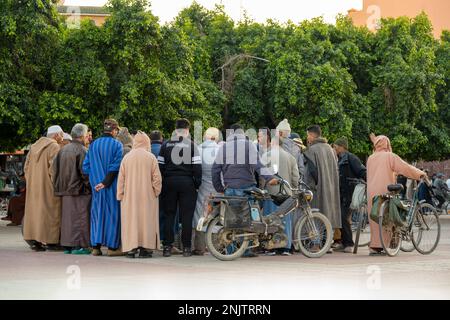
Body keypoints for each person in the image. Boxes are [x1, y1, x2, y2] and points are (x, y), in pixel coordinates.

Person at [212, 124, 278, 257]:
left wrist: (220, 188)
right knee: (249, 220)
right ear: (243, 133)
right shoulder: (249, 145)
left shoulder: (223, 148)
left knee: (233, 219)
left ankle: (231, 250)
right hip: (247, 188)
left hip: (230, 189)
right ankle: (246, 250)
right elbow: (257, 164)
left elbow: (215, 170)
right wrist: (270, 177)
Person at [366, 134, 425, 256]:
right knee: (389, 216)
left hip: (372, 191)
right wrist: (420, 174)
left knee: (375, 217)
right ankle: (387, 243)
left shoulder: (370, 158)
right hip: (386, 189)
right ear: (387, 143)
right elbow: (405, 167)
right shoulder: (390, 156)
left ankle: (375, 245)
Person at [158, 119, 202, 257]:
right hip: (187, 182)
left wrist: (164, 181)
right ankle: (187, 248)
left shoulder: (165, 145)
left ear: (175, 130)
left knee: (169, 215)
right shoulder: (192, 145)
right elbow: (197, 168)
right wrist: (196, 184)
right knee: (187, 216)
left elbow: (160, 166)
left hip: (169, 182)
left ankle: (167, 247)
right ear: (187, 130)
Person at [117, 131, 162, 258]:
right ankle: (145, 249)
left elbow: (121, 179)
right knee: (146, 222)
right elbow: (157, 178)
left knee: (131, 221)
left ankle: (131, 249)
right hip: (147, 196)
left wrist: (120, 195)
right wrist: (155, 192)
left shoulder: (126, 158)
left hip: (129, 197)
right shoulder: (151, 157)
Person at [82, 119, 123, 257]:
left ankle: (96, 247)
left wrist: (96, 179)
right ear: (114, 131)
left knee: (97, 214)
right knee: (112, 215)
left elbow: (85, 167)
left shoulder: (93, 145)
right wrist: (105, 182)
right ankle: (112, 248)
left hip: (96, 186)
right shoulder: (117, 145)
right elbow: (115, 167)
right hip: (110, 186)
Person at [23, 125, 64, 251]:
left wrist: (32, 181)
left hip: (33, 187)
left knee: (35, 214)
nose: (62, 138)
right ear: (56, 135)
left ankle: (33, 239)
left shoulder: (34, 146)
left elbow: (26, 168)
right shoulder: (54, 146)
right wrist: (56, 185)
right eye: (61, 135)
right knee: (51, 214)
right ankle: (51, 241)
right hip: (48, 188)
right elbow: (54, 170)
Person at [53, 123, 91, 255]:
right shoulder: (83, 151)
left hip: (64, 190)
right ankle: (79, 246)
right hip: (79, 191)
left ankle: (68, 246)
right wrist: (89, 186)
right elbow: (85, 172)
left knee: (68, 219)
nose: (88, 138)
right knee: (80, 218)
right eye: (87, 135)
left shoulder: (62, 150)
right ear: (82, 136)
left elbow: (55, 171)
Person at [303, 125, 341, 253]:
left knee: (315, 216)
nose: (307, 138)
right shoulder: (330, 149)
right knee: (327, 215)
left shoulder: (312, 150)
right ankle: (327, 244)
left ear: (313, 135)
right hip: (331, 188)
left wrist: (310, 186)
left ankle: (317, 245)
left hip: (317, 189)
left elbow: (311, 172)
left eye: (308, 135)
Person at [262, 135, 299, 255]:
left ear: (273, 143)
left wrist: (262, 189)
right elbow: (295, 178)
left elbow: (262, 177)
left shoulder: (266, 156)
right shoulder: (291, 157)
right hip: (286, 194)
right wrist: (292, 189)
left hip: (271, 194)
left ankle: (272, 247)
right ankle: (286, 247)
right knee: (285, 220)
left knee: (270, 220)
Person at [333, 137, 367, 253]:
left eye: (336, 146)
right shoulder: (339, 158)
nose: (334, 148)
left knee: (343, 216)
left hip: (350, 193)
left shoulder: (351, 158)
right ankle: (344, 242)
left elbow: (362, 171)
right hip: (343, 192)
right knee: (341, 216)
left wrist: (369, 182)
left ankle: (348, 243)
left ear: (342, 147)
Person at [192, 127, 221, 255]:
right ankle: (216, 245)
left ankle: (199, 246)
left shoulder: (198, 149)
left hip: (202, 185)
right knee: (217, 215)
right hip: (217, 186)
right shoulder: (220, 150)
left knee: (199, 214)